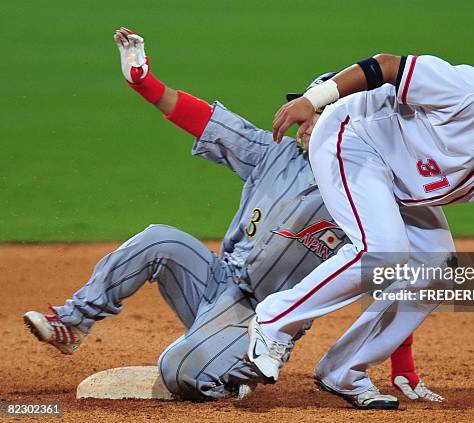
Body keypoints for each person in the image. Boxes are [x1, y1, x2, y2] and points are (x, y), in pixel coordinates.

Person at [22, 27, 443, 407]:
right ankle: (73, 323)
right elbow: (207, 121)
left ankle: (229, 368)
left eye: (311, 115)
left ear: (343, 122)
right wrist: (147, 85)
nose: (301, 123)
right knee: (159, 239)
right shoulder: (274, 150)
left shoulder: (368, 190)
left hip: (261, 319)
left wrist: (401, 364)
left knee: (178, 371)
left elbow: (393, 271)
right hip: (215, 280)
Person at [246, 52, 474, 416]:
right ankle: (273, 322)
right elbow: (387, 65)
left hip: (402, 182)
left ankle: (345, 370)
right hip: (355, 135)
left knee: (441, 269)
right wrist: (315, 99)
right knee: (382, 251)